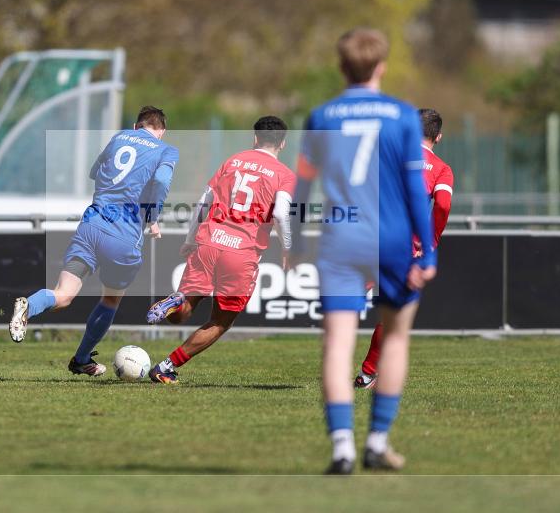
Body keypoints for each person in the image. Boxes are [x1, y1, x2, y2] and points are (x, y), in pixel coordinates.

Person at [293, 28, 436, 473]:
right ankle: (376, 442)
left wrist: (295, 241)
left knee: (338, 343)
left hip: (339, 237)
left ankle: (342, 449)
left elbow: (301, 187)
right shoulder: (403, 115)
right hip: (391, 239)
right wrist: (427, 252)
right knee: (394, 337)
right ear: (382, 67)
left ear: (341, 67)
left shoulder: (321, 116)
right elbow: (415, 190)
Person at [8, 106, 179, 377]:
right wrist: (153, 217)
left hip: (90, 226)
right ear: (162, 131)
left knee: (63, 294)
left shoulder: (119, 137)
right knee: (110, 299)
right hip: (123, 237)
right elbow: (160, 180)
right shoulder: (166, 150)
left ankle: (29, 305)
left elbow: (94, 172)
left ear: (136, 127)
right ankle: (81, 357)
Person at [144, 116, 296, 384]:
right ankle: (166, 366)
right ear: (282, 143)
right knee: (221, 321)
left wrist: (190, 239)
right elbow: (282, 214)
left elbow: (204, 202)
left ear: (255, 138)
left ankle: (176, 300)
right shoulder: (284, 175)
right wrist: (288, 249)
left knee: (183, 312)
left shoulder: (233, 161)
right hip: (241, 252)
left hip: (209, 242)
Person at [355, 107, 454, 390]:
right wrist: (430, 241)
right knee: (393, 315)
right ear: (439, 137)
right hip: (403, 249)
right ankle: (367, 374)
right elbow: (443, 205)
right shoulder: (441, 169)